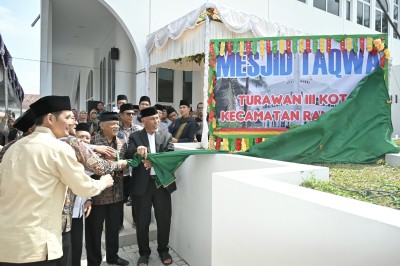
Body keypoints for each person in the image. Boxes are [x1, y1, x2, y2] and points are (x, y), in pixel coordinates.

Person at [0, 95, 114, 265]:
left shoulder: (13, 148)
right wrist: (104, 181)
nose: (72, 122)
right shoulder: (58, 148)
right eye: (68, 117)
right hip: (35, 247)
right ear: (51, 119)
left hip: (7, 244)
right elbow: (83, 187)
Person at [125, 107, 175, 266]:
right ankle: (144, 253)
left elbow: (170, 157)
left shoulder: (166, 136)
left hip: (161, 184)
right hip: (141, 185)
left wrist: (153, 161)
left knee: (164, 219)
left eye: (158, 118)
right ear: (143, 121)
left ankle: (163, 249)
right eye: (153, 118)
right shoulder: (135, 136)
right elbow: (128, 153)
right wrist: (137, 152)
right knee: (142, 221)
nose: (157, 121)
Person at [85, 112, 129, 266]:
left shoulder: (122, 143)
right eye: (112, 124)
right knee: (93, 231)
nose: (116, 126)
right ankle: (94, 261)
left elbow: (126, 164)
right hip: (97, 195)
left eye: (117, 124)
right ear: (102, 125)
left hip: (117, 194)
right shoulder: (92, 143)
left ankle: (113, 256)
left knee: (113, 228)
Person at [117, 103, 142, 228]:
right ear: (121, 115)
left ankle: (137, 222)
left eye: (133, 113)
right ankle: (119, 224)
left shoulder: (138, 129)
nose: (131, 116)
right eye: (128, 114)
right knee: (120, 198)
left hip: (135, 168)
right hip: (121, 168)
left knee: (136, 197)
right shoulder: (116, 129)